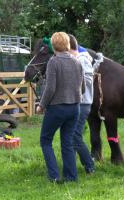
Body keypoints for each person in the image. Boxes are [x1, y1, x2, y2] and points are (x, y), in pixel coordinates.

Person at [36, 32, 84, 183]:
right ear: (67, 44)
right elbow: (82, 89)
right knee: (67, 142)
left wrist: (41, 106)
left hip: (57, 108)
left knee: (45, 140)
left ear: (53, 45)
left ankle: (54, 176)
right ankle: (71, 177)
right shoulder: (77, 62)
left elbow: (50, 88)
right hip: (75, 108)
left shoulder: (54, 62)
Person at [68, 34, 95, 174]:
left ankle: (90, 164)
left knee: (75, 135)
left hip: (83, 103)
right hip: (76, 103)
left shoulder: (82, 60)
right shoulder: (75, 60)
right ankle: (70, 166)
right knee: (71, 135)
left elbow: (88, 82)